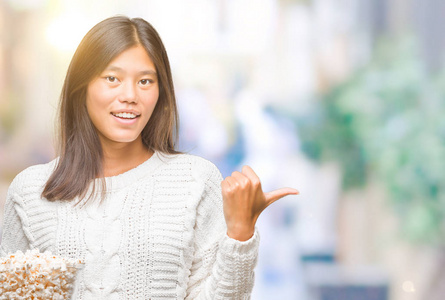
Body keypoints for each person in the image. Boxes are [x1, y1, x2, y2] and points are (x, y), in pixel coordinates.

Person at [0, 16, 298, 299]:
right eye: (112, 78)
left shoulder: (194, 180)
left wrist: (240, 233)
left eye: (145, 81)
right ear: (82, 88)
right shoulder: (32, 191)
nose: (130, 95)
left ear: (161, 92)